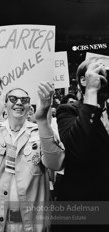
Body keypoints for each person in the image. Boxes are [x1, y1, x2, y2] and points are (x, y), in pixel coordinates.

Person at [0, 78, 65, 232]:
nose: (19, 102)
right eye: (13, 99)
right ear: (5, 105)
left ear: (29, 106)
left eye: (25, 100)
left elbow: (56, 164)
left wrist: (42, 121)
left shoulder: (41, 131)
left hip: (30, 224)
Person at [56, 57, 109, 230]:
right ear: (83, 80)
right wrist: (92, 92)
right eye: (99, 73)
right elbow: (76, 149)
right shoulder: (68, 110)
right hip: (81, 209)